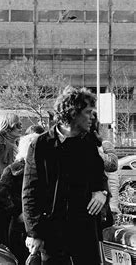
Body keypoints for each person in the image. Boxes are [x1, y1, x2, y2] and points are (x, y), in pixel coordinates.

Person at [22, 86, 108, 264]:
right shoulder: (41, 144)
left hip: (84, 231)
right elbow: (30, 191)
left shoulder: (89, 143)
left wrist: (101, 192)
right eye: (88, 112)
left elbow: (99, 178)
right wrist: (34, 232)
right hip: (52, 232)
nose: (93, 116)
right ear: (72, 113)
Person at [0, 132, 41, 265]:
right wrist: (17, 213)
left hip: (33, 224)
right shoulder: (15, 169)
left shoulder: (41, 168)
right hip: (20, 227)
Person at [0, 113, 22, 184]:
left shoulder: (20, 144)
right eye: (17, 125)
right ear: (7, 128)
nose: (20, 128)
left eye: (21, 125)